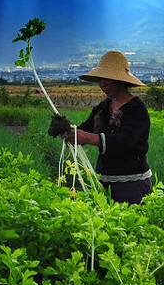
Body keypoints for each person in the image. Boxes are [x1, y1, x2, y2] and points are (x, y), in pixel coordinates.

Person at [52, 50, 152, 205]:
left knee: (131, 223)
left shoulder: (136, 108)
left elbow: (126, 140)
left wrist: (88, 138)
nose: (102, 84)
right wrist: (68, 131)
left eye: (107, 79)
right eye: (100, 79)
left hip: (131, 182)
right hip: (103, 180)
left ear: (120, 81)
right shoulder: (103, 108)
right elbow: (87, 128)